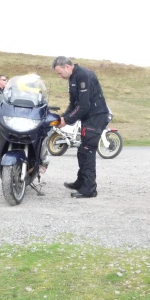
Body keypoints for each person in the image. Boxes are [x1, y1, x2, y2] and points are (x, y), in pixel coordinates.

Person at [52, 56, 109, 199]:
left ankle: (89, 189)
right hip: (88, 118)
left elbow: (84, 105)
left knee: (87, 150)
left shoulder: (83, 75)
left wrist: (67, 120)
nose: (60, 76)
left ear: (67, 67)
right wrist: (62, 117)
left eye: (60, 73)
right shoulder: (73, 78)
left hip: (96, 116)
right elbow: (73, 103)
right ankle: (81, 182)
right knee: (82, 151)